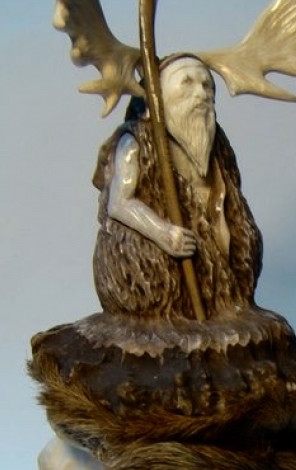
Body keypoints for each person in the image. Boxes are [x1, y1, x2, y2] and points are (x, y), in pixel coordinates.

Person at [92, 56, 263, 320]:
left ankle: (224, 305)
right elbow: (119, 202)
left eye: (207, 85)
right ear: (155, 101)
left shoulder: (216, 145)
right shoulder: (136, 141)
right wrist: (162, 232)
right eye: (187, 83)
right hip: (154, 261)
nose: (202, 93)